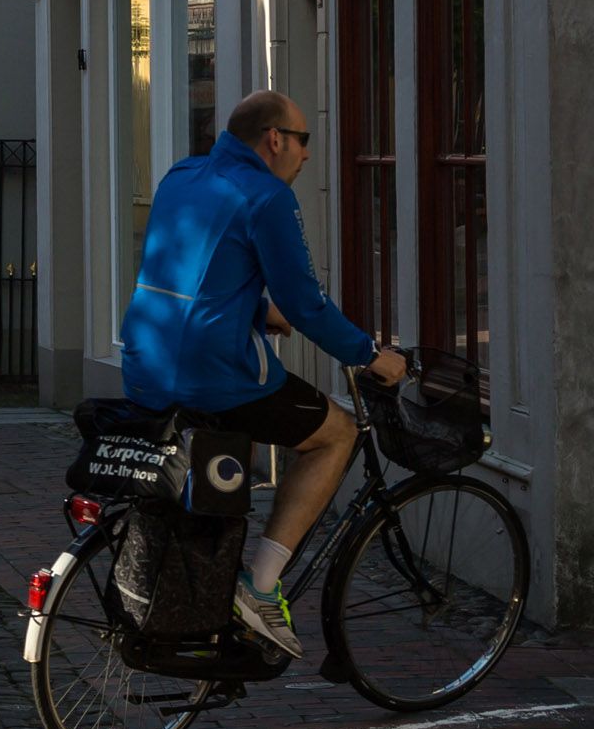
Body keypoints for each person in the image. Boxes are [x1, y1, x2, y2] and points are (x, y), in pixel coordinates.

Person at [120, 88, 407, 656]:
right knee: (336, 435)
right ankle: (260, 587)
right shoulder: (267, 196)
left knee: (210, 487)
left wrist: (252, 308)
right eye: (304, 141)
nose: (306, 155)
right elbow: (305, 303)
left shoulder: (182, 174)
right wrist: (370, 355)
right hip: (212, 371)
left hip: (146, 363)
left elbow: (192, 269)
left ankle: (196, 602)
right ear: (275, 140)